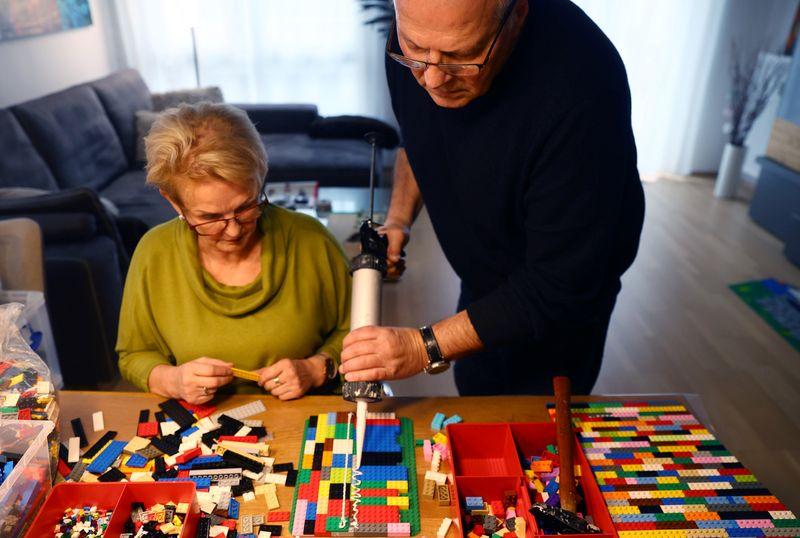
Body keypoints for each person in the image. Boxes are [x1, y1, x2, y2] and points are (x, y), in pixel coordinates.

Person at [340, 0, 645, 394]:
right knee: (478, 393)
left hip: (561, 298)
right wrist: (398, 218)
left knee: (536, 432)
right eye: (415, 50)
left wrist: (423, 346)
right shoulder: (414, 42)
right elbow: (418, 136)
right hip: (483, 269)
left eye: (460, 57)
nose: (432, 79)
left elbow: (559, 286)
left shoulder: (585, 88)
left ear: (517, 13)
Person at [117, 103, 351, 404]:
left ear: (260, 178)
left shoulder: (311, 241)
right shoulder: (154, 254)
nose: (234, 231)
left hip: (306, 419)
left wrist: (317, 368)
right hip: (202, 429)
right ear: (174, 202)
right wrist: (173, 380)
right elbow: (134, 354)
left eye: (247, 206)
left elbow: (358, 332)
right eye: (211, 218)